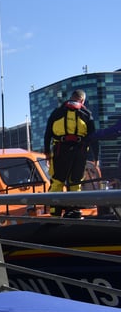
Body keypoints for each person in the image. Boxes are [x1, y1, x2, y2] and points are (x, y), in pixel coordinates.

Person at [43, 89, 98, 217]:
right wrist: (96, 157)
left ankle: (55, 212)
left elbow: (47, 134)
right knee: (76, 181)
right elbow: (94, 138)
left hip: (60, 150)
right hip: (80, 151)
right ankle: (74, 210)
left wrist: (47, 153)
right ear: (82, 100)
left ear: (71, 97)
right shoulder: (87, 114)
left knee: (57, 181)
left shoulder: (57, 112)